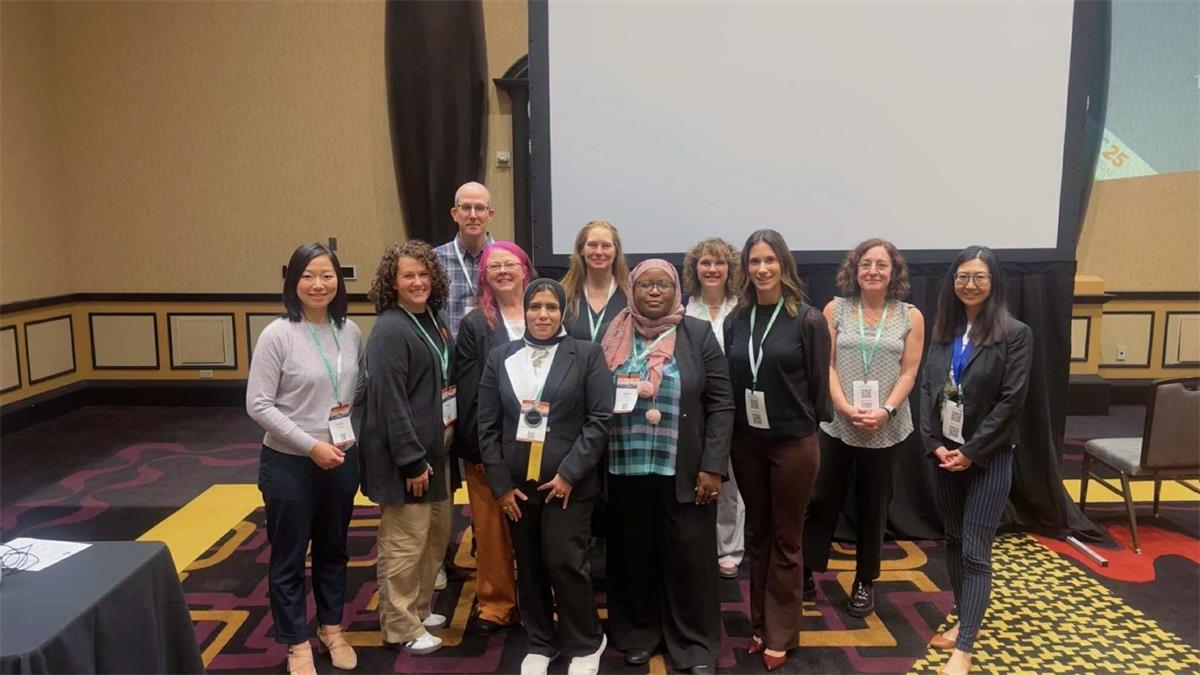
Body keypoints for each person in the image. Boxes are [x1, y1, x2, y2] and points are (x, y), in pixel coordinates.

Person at [602, 259, 734, 674]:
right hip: (625, 466)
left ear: (676, 289)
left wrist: (713, 465)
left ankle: (694, 644)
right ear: (632, 290)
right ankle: (638, 633)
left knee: (689, 559)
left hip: (685, 469)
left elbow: (722, 404)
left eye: (663, 284)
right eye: (646, 285)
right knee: (633, 555)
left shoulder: (697, 333)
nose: (654, 291)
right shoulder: (614, 332)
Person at [477, 279, 613, 675]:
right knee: (529, 563)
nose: (542, 315)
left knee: (565, 561)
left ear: (563, 312)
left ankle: (586, 641)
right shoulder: (500, 357)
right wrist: (501, 486)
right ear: (525, 310)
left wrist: (569, 474)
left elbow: (599, 421)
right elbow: (487, 426)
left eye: (551, 307)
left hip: (568, 485)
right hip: (518, 487)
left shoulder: (587, 354)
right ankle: (541, 641)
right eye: (535, 307)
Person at [246, 243, 364, 675]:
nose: (318, 284)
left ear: (338, 281)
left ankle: (331, 629)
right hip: (289, 463)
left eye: (327, 275)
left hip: (340, 458)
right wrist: (310, 445)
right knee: (289, 556)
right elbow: (258, 405)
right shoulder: (277, 335)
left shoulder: (350, 331)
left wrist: (338, 441)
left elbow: (355, 390)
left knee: (334, 550)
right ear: (293, 282)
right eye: (308, 276)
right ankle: (296, 642)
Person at [919, 246, 1032, 675]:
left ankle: (963, 649)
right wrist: (934, 442)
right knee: (952, 539)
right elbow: (928, 388)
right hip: (945, 455)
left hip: (988, 457)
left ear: (994, 282)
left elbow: (1011, 402)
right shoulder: (943, 330)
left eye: (979, 277)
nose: (970, 284)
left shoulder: (1015, 334)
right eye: (963, 276)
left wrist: (971, 451)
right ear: (953, 281)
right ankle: (964, 620)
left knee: (975, 551)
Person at [723, 229, 831, 672]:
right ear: (745, 268)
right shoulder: (736, 319)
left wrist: (800, 425)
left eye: (770, 260)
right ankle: (759, 625)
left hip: (793, 443)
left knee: (787, 538)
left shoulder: (807, 319)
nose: (762, 269)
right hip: (747, 442)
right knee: (758, 534)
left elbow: (819, 390)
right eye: (754, 261)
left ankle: (781, 633)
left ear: (784, 264)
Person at [802, 238, 925, 618]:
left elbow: (909, 371)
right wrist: (842, 406)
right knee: (821, 500)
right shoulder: (835, 309)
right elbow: (826, 364)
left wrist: (886, 410)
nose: (873, 271)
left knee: (874, 507)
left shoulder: (910, 316)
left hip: (886, 427)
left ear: (893, 272)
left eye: (881, 265)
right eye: (866, 264)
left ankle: (864, 580)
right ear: (854, 271)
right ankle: (805, 571)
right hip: (838, 423)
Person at [358, 241, 456, 656]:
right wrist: (412, 461)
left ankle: (418, 608)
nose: (418, 282)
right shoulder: (390, 330)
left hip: (437, 452)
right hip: (408, 459)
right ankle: (399, 625)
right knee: (404, 543)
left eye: (424, 274)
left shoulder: (432, 318)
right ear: (392, 282)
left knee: (434, 538)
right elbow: (390, 402)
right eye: (408, 275)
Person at [453, 241, 535, 636]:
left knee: (539, 527)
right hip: (491, 443)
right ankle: (497, 604)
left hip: (541, 443)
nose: (503, 271)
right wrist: (480, 450)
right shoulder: (475, 324)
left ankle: (541, 600)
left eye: (510, 264)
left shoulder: (547, 309)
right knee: (491, 530)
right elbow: (469, 393)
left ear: (524, 269)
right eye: (494, 266)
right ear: (484, 275)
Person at [682, 237, 746, 580]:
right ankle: (697, 544)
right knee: (694, 476)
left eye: (719, 263)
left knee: (729, 480)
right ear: (695, 268)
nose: (712, 269)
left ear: (730, 268)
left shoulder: (743, 309)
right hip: (693, 407)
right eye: (705, 263)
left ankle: (729, 550)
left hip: (731, 406)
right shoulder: (682, 309)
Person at [434, 181, 496, 338]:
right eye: (466, 207)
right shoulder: (434, 260)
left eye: (480, 208)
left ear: (490, 215)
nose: (473, 215)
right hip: (453, 349)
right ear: (455, 214)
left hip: (496, 349)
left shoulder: (507, 260)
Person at [560, 220, 631, 342]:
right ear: (581, 250)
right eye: (592, 245)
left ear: (616, 251)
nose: (598, 252)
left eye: (606, 246)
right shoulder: (564, 295)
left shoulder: (630, 296)